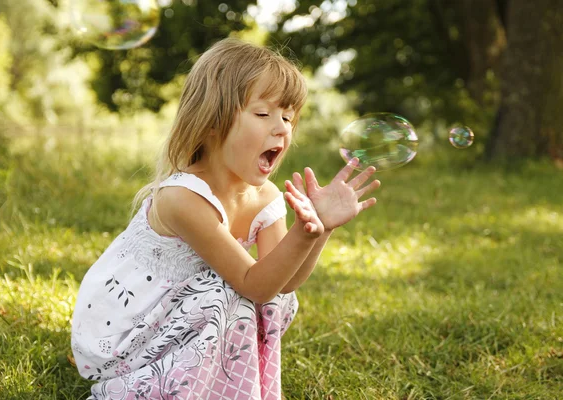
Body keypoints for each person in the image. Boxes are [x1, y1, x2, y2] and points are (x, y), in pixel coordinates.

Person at [71, 37, 380, 400]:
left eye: (288, 116)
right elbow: (254, 284)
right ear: (213, 121)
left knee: (267, 299)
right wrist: (303, 232)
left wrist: (320, 229)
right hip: (125, 338)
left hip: (186, 323)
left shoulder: (264, 198)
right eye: (264, 114)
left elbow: (284, 283)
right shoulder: (182, 197)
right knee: (226, 293)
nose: (281, 128)